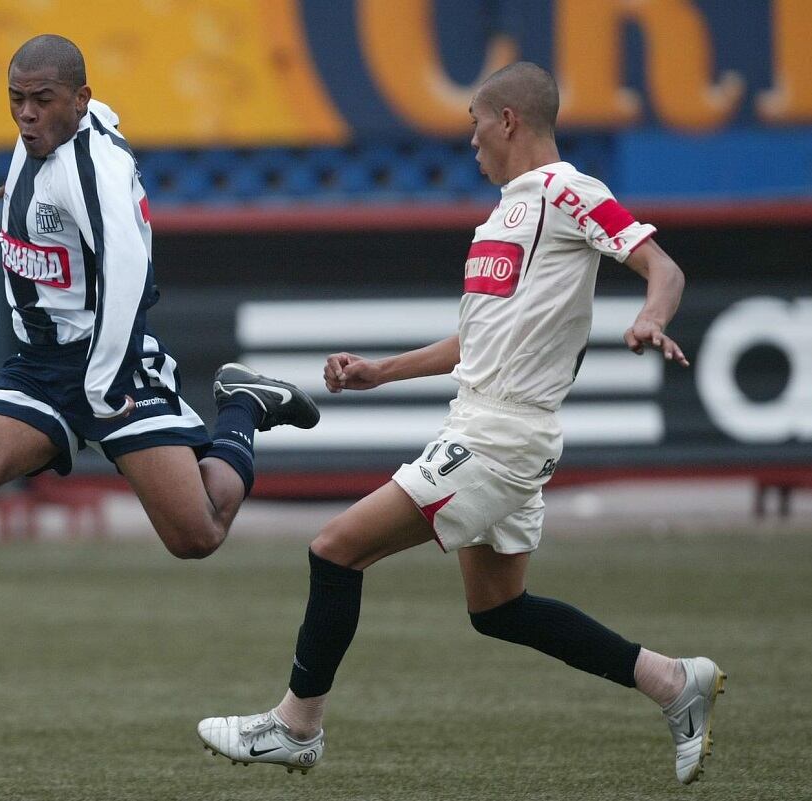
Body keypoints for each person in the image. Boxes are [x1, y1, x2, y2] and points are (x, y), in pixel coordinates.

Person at [195, 62, 724, 786]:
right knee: (498, 608)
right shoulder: (502, 216)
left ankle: (295, 725)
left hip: (500, 436)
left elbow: (662, 267)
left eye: (475, 122)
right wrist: (380, 371)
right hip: (489, 423)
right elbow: (475, 341)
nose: (470, 139)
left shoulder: (567, 191)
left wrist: (649, 317)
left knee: (334, 550)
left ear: (507, 119)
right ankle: (673, 681)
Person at [0, 34, 319, 642]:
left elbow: (129, 275)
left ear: (79, 98)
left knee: (196, 534)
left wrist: (103, 381)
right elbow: (71, 157)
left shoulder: (91, 169)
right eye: (16, 99)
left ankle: (244, 405)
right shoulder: (51, 133)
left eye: (41, 100)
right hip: (41, 366)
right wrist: (20, 197)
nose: (26, 114)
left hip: (111, 366)